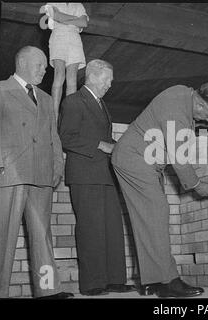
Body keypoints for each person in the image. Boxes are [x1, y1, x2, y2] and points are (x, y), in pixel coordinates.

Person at [111, 82, 208, 297]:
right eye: (207, 117)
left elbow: (194, 125)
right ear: (201, 105)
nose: (206, 121)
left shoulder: (183, 95)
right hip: (135, 158)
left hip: (139, 158)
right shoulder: (177, 110)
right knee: (157, 212)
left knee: (148, 218)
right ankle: (168, 282)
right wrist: (196, 185)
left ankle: (151, 281)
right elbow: (180, 159)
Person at [0, 46, 72, 299]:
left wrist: (57, 166)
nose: (44, 70)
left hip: (42, 175)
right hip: (10, 173)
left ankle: (48, 290)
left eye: (45, 67)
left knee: (43, 238)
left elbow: (54, 137)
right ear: (21, 62)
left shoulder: (47, 99)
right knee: (2, 238)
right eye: (39, 65)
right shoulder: (0, 89)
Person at [58, 59, 133, 296]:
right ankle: (92, 284)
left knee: (112, 228)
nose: (110, 84)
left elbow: (107, 142)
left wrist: (123, 148)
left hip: (105, 175)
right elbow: (66, 137)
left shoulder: (101, 104)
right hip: (84, 175)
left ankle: (115, 279)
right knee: (91, 229)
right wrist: (101, 145)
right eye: (107, 79)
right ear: (91, 76)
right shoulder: (73, 101)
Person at [40, 3, 89, 121]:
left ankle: (69, 115)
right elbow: (50, 19)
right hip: (58, 37)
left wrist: (60, 16)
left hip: (75, 39)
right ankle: (54, 115)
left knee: (72, 78)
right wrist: (74, 20)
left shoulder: (79, 5)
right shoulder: (53, 3)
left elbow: (84, 23)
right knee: (59, 74)